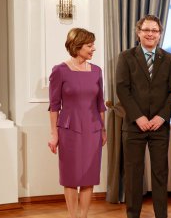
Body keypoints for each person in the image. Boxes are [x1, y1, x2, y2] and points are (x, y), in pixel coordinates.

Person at [116, 14, 171, 218]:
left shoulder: (169, 58)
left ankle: (161, 215)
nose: (150, 34)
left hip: (159, 126)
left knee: (160, 174)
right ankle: (133, 215)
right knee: (134, 174)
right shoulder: (126, 57)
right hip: (134, 126)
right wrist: (138, 117)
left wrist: (162, 117)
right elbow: (122, 89)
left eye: (154, 30)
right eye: (146, 30)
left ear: (160, 34)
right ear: (139, 33)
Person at [48, 28, 107, 218]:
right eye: (90, 45)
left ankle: (84, 216)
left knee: (89, 177)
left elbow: (100, 104)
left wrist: (103, 130)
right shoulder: (60, 71)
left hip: (93, 129)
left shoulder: (97, 71)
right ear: (77, 45)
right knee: (71, 177)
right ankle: (73, 216)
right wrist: (54, 134)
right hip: (69, 130)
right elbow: (54, 106)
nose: (93, 49)